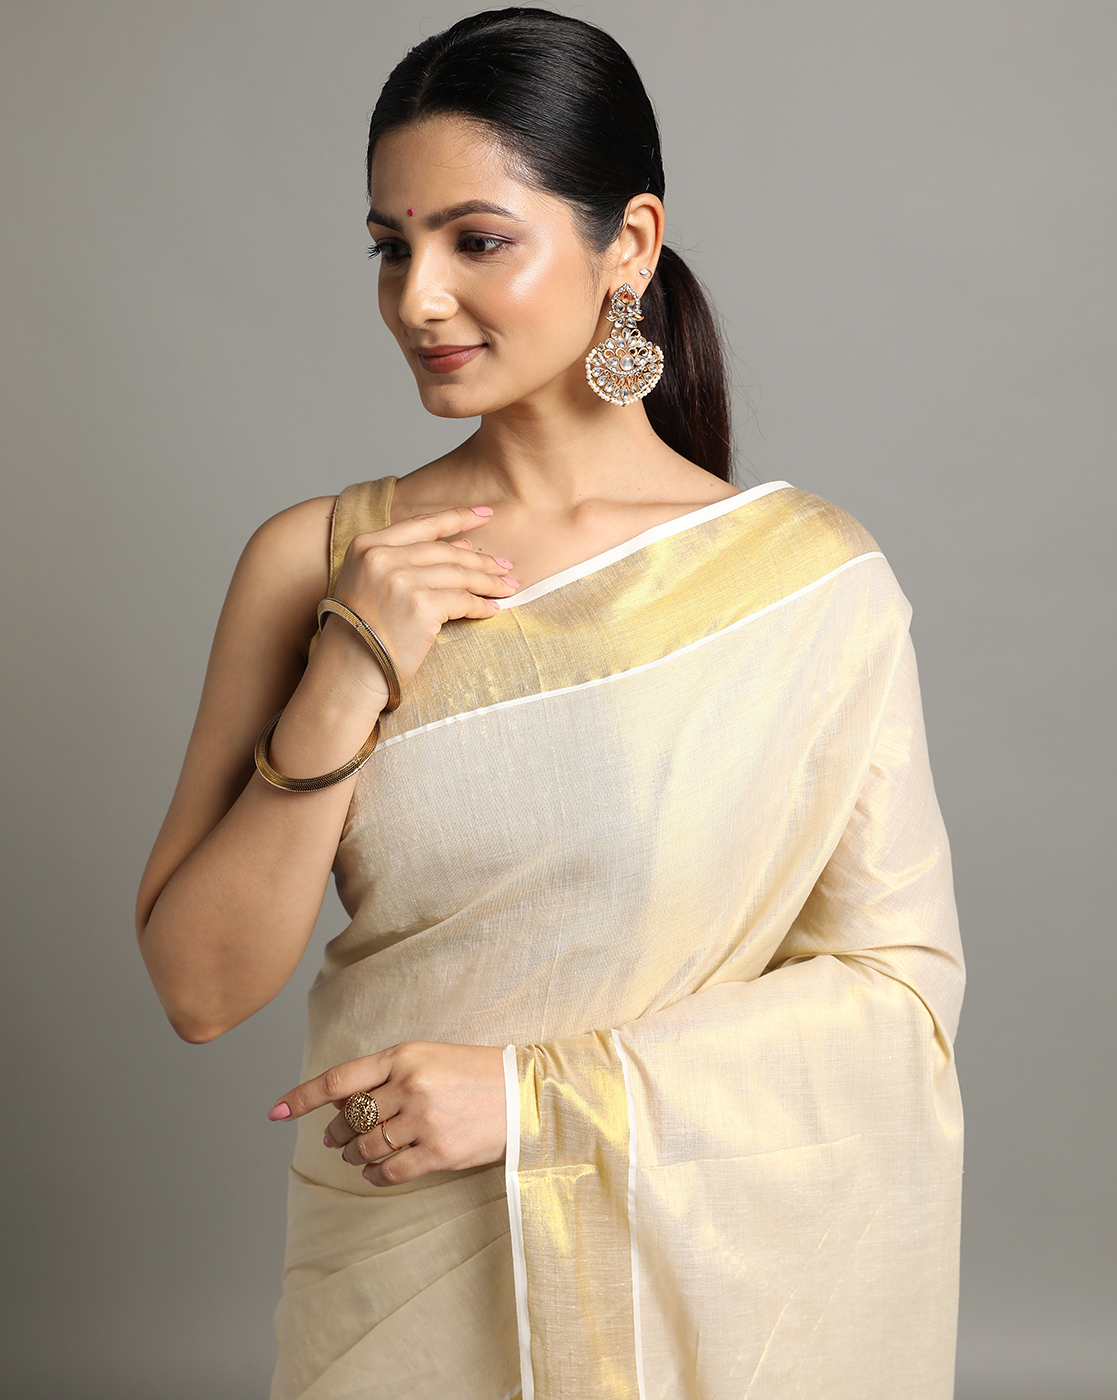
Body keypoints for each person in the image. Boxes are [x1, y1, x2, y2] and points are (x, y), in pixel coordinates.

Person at [136, 8, 964, 1398]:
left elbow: (898, 994)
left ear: (627, 244)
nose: (418, 298)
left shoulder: (807, 581)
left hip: (687, 1290)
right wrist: (347, 674)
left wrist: (531, 1102)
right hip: (394, 1289)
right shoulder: (316, 562)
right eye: (391, 247)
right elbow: (199, 989)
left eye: (476, 240)